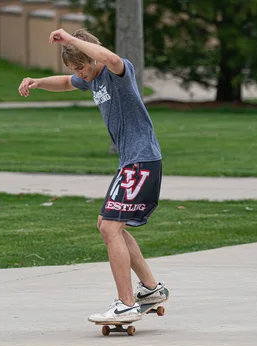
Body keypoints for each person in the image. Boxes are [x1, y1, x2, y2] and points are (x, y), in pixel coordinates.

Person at [18, 28, 169, 323]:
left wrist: (72, 41)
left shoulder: (117, 70)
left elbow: (109, 56)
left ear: (90, 57)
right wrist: (37, 82)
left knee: (109, 228)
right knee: (109, 225)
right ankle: (151, 289)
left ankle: (126, 304)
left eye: (81, 67)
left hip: (141, 160)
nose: (79, 75)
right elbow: (63, 82)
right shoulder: (94, 78)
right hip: (133, 162)